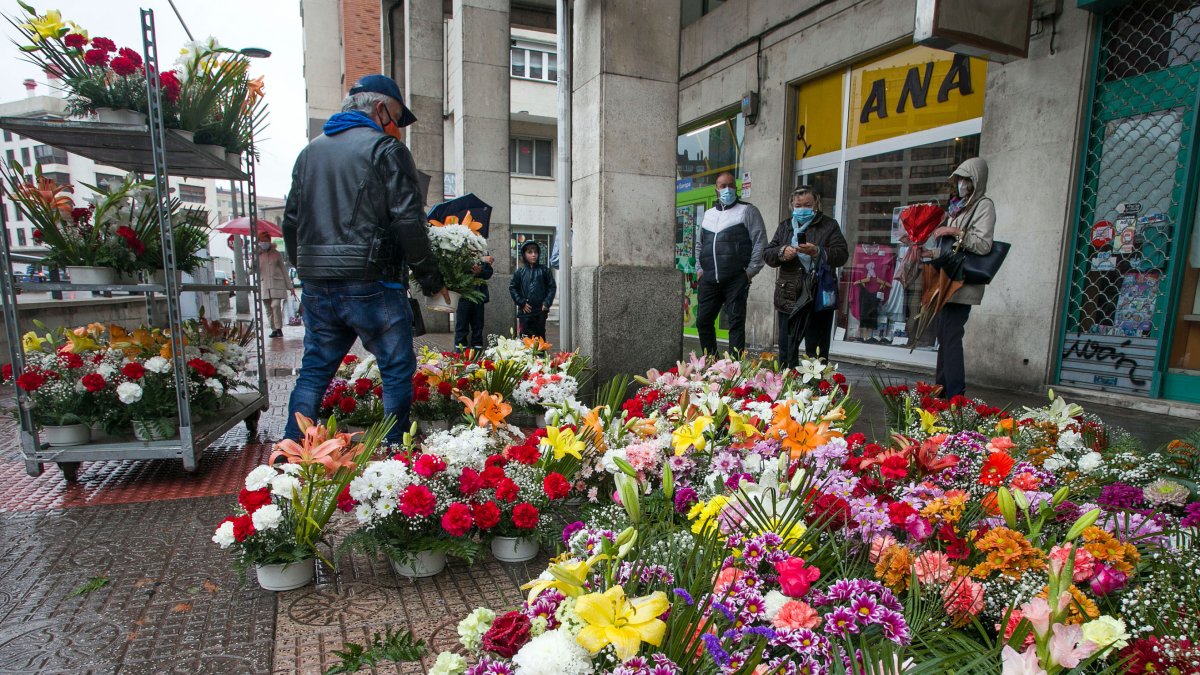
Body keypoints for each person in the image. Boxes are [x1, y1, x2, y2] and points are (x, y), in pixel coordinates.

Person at [281, 74, 447, 444]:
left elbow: (291, 222)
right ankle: (394, 448)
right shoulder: (386, 151)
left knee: (314, 371)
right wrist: (431, 280)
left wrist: (308, 269)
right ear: (380, 109)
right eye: (396, 118)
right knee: (396, 369)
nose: (397, 129)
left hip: (318, 285)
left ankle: (289, 452)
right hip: (373, 281)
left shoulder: (309, 153)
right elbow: (408, 222)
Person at [927, 157, 995, 399]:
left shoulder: (983, 206)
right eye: (959, 179)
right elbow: (950, 249)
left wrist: (954, 231)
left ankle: (956, 394)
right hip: (948, 280)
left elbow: (983, 244)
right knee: (943, 335)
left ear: (976, 180)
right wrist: (930, 253)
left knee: (951, 335)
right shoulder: (959, 207)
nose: (962, 184)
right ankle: (941, 388)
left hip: (963, 282)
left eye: (967, 179)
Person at [763, 186, 848, 366]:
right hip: (788, 293)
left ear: (816, 204)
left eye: (808, 205)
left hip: (818, 294)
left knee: (817, 351)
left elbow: (841, 254)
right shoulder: (785, 226)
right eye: (798, 205)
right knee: (787, 348)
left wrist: (817, 251)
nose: (803, 209)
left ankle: (816, 381)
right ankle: (787, 380)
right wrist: (782, 252)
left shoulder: (829, 225)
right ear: (792, 206)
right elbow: (768, 253)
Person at [696, 172, 767, 357]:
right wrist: (699, 270)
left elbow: (760, 242)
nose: (727, 189)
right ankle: (711, 363)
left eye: (730, 185)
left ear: (736, 188)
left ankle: (734, 368)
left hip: (736, 278)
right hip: (709, 278)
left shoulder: (748, 211)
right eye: (722, 186)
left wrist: (750, 272)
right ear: (716, 189)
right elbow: (699, 244)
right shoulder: (708, 214)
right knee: (703, 322)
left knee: (735, 324)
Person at [510, 241, 555, 339]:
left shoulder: (544, 270)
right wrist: (521, 302)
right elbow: (513, 288)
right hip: (525, 311)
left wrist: (547, 302)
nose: (533, 255)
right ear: (524, 254)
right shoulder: (519, 272)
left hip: (540, 310)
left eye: (535, 252)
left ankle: (540, 350)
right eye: (530, 252)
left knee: (540, 337)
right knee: (525, 337)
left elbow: (551, 287)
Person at [256, 231, 294, 338]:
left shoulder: (276, 254)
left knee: (275, 305)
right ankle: (273, 329)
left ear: (269, 241)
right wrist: (252, 261)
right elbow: (251, 271)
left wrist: (290, 286)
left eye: (266, 241)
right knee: (268, 310)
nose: (264, 243)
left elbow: (284, 270)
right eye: (262, 241)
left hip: (277, 284)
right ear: (258, 242)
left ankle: (278, 328)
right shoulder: (257, 255)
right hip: (264, 285)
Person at [454, 253, 494, 351]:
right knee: (461, 326)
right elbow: (456, 268)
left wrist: (480, 271)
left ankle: (477, 352)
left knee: (478, 326)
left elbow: (488, 273)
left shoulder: (482, 251)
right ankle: (460, 353)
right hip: (463, 295)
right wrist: (481, 259)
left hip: (479, 296)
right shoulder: (461, 250)